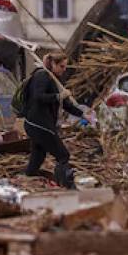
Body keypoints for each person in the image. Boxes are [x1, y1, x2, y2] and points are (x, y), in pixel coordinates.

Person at [23, 52, 92, 188]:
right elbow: (39, 96)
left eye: (65, 67)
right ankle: (65, 184)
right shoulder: (42, 76)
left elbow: (65, 104)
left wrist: (83, 115)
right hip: (39, 124)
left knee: (38, 155)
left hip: (36, 124)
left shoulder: (53, 78)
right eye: (61, 66)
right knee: (63, 155)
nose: (64, 70)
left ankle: (28, 176)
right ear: (53, 64)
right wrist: (59, 96)